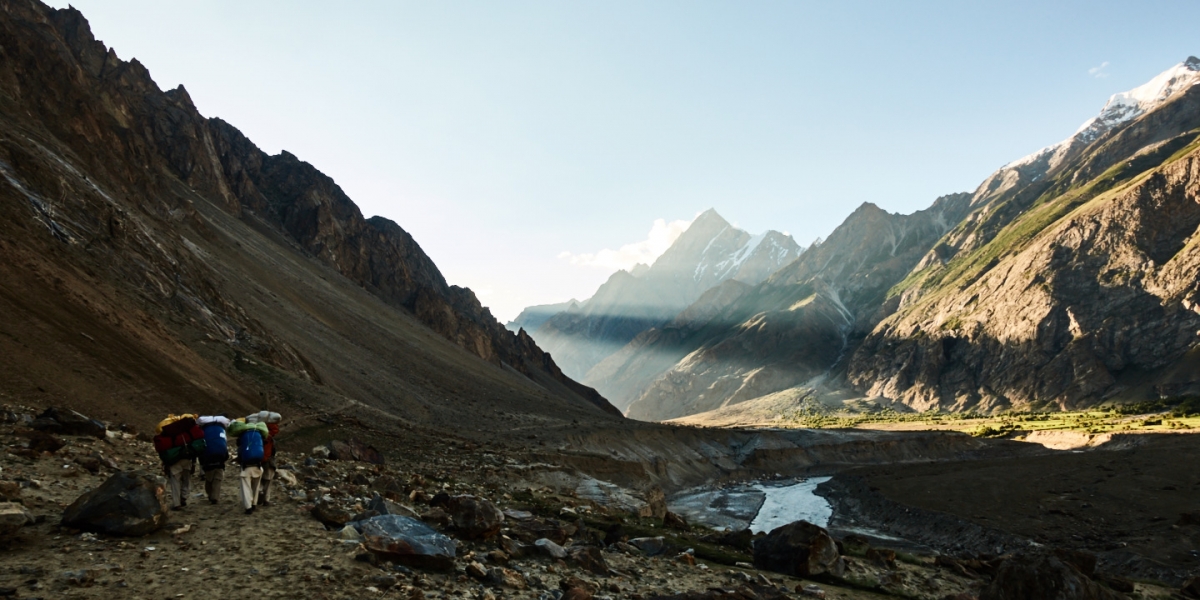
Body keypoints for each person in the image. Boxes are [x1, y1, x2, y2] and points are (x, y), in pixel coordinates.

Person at [153, 414, 206, 511]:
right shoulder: (186, 432)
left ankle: (176, 504)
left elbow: (164, 451)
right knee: (186, 479)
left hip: (174, 461)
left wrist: (166, 464)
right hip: (187, 458)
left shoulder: (168, 433)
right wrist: (194, 463)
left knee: (175, 482)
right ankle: (184, 497)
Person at [228, 418, 269, 515]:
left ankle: (248, 507)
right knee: (256, 486)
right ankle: (254, 504)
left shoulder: (243, 437)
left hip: (246, 467)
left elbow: (240, 452)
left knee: (246, 487)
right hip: (258, 466)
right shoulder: (258, 434)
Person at [248, 411, 283, 507]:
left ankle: (256, 498)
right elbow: (275, 430)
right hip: (267, 460)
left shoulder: (254, 434)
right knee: (268, 480)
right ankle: (265, 499)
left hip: (255, 459)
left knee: (256, 480)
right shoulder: (269, 435)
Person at [197, 415, 231, 504]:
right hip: (220, 457)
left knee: (209, 479)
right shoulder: (221, 430)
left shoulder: (204, 431)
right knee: (218, 479)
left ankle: (210, 495)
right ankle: (215, 497)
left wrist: (202, 462)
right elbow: (224, 444)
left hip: (208, 458)